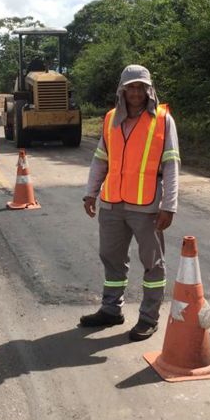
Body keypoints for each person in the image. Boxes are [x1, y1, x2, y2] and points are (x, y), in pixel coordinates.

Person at [80, 64, 180, 342]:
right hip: (112, 203)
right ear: (122, 90)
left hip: (147, 207)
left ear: (149, 90)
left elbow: (171, 165)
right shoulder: (111, 118)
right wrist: (91, 193)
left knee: (153, 265)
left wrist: (169, 205)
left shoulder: (162, 119)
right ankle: (111, 310)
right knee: (111, 260)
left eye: (141, 87)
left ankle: (149, 318)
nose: (135, 92)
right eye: (130, 87)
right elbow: (101, 158)